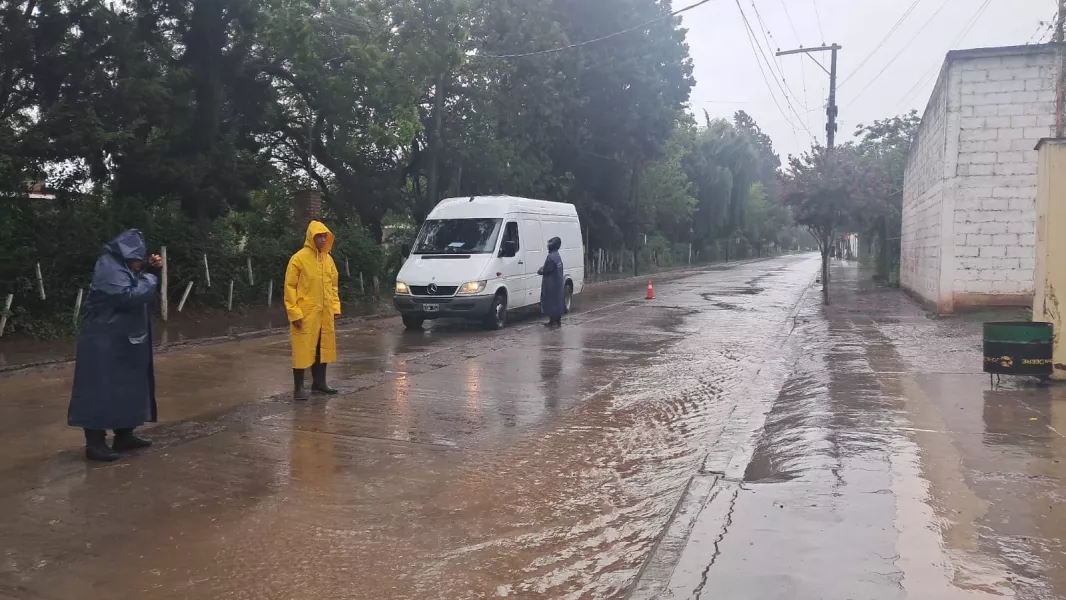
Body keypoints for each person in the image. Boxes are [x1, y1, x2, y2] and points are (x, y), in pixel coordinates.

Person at [68, 230, 163, 462]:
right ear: (129, 254)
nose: (139, 262)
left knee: (128, 387)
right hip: (104, 340)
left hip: (125, 340)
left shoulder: (124, 267)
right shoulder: (108, 267)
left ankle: (124, 435)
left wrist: (147, 271)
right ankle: (95, 443)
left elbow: (133, 288)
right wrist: (151, 276)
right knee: (100, 389)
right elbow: (127, 296)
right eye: (137, 258)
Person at [285, 220, 341, 400]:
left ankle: (319, 383)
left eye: (325, 235)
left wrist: (334, 308)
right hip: (305, 313)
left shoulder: (328, 259)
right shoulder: (298, 259)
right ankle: (298, 388)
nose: (323, 239)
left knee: (321, 347)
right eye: (319, 236)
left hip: (324, 313)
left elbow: (333, 286)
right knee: (302, 349)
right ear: (311, 237)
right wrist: (294, 312)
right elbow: (290, 287)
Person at [538, 236, 565, 327]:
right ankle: (558, 321)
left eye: (549, 244)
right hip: (557, 282)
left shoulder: (550, 257)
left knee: (551, 302)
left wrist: (540, 270)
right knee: (557, 302)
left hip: (551, 284)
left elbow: (546, 270)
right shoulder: (557, 255)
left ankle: (552, 321)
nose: (547, 246)